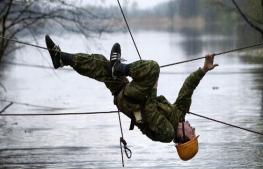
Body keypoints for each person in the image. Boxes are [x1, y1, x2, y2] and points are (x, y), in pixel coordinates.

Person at [45, 35, 218, 161]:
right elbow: (188, 88)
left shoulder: (168, 133)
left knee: (153, 68)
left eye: (193, 134)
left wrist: (153, 87)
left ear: (183, 139)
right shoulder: (179, 115)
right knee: (100, 64)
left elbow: (150, 111)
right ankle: (60, 59)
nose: (193, 129)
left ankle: (118, 67)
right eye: (194, 132)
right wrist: (203, 70)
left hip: (132, 101)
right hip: (128, 92)